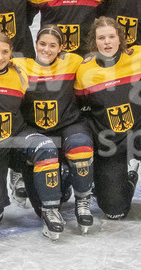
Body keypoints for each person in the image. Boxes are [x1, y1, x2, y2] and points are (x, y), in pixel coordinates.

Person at [75, 17, 141, 223]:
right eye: (101, 38)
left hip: (140, 130)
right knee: (114, 211)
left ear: (121, 38)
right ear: (95, 42)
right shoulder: (85, 71)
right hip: (109, 141)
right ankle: (129, 177)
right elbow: (81, 107)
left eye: (112, 36)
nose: (107, 42)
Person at [0, 32, 63, 238]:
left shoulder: (22, 71)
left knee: (45, 147)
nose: (0, 57)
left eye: (5, 52)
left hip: (17, 137)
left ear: (12, 53)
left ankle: (50, 210)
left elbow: (48, 62)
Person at [13, 26, 94, 236]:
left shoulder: (74, 62)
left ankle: (83, 200)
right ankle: (50, 207)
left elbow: (101, 59)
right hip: (34, 131)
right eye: (42, 44)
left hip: (68, 125)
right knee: (43, 205)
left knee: (80, 146)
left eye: (52, 45)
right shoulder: (21, 65)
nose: (46, 49)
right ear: (35, 44)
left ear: (61, 48)